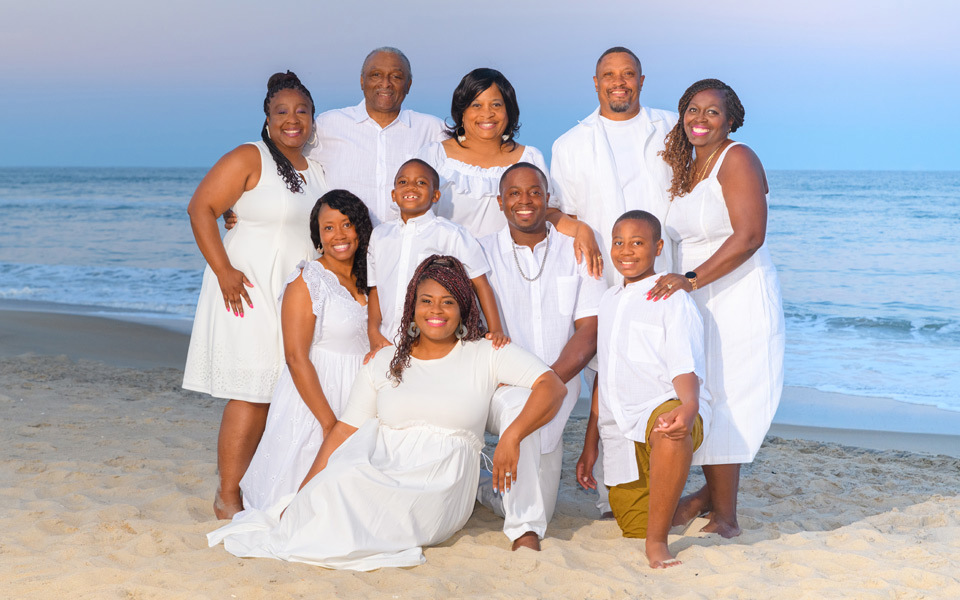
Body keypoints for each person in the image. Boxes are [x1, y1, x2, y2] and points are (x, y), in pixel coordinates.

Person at [207, 255, 567, 570]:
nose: (436, 311)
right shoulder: (384, 361)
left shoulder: (486, 351)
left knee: (365, 508)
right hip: (383, 463)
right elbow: (345, 432)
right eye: (426, 301)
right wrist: (305, 493)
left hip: (440, 480)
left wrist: (512, 435)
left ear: (463, 309)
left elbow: (552, 385)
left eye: (447, 302)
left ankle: (523, 527)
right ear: (412, 307)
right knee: (340, 483)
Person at [182, 71, 328, 520]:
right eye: (281, 111)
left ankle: (260, 486)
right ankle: (228, 495)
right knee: (252, 391)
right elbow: (201, 207)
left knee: (282, 389)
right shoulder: (251, 156)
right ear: (267, 119)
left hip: (291, 293)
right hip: (246, 289)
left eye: (301, 111)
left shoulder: (316, 170)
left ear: (312, 119)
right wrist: (222, 269)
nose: (292, 119)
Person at [648, 78, 785, 538]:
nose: (700, 119)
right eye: (692, 110)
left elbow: (749, 236)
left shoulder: (737, 158)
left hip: (736, 293)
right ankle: (708, 498)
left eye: (711, 112)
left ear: (730, 119)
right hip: (698, 295)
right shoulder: (687, 168)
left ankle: (725, 516)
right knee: (704, 394)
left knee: (729, 395)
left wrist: (689, 280)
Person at [477, 163, 607, 550]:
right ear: (501, 202)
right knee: (521, 408)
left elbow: (591, 330)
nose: (525, 200)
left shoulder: (578, 250)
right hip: (501, 390)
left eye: (534, 191)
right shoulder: (480, 252)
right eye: (514, 193)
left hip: (559, 390)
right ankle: (525, 532)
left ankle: (482, 488)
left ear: (548, 198)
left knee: (541, 499)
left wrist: (547, 382)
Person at [576, 210, 711, 569]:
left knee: (669, 429)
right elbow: (604, 378)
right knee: (632, 527)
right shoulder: (608, 301)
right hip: (620, 428)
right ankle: (692, 503)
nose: (627, 251)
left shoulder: (670, 296)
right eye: (619, 242)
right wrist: (590, 445)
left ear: (657, 247)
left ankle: (658, 544)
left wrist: (689, 406)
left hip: (663, 404)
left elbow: (685, 363)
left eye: (638, 243)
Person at [238, 190, 373, 511]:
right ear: (318, 236)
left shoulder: (368, 279)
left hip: (360, 393)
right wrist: (329, 424)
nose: (338, 235)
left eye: (347, 225)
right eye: (328, 228)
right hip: (316, 396)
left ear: (360, 229)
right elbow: (295, 357)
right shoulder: (307, 279)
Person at [416, 68, 598, 263]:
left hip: (511, 272)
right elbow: (415, 219)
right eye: (476, 105)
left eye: (496, 104)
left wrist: (582, 229)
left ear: (508, 111)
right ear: (462, 111)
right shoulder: (433, 156)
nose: (487, 113)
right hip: (446, 273)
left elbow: (548, 214)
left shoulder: (529, 158)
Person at [550, 46, 678, 285]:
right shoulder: (569, 145)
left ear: (641, 81)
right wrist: (580, 229)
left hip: (670, 270)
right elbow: (562, 213)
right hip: (603, 275)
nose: (618, 82)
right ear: (596, 82)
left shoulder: (671, 127)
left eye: (628, 74)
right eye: (609, 75)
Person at [366, 159, 506, 357]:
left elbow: (481, 284)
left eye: (421, 182)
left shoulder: (452, 234)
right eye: (403, 182)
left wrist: (496, 330)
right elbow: (375, 289)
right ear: (393, 194)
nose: (411, 187)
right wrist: (373, 332)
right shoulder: (380, 235)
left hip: (437, 344)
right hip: (388, 343)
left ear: (436, 195)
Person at [306, 47, 446, 226]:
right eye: (376, 75)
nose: (385, 83)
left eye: (396, 76)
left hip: (410, 247)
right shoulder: (329, 124)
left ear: (409, 84)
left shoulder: (432, 129)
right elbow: (292, 157)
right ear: (362, 81)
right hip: (347, 246)